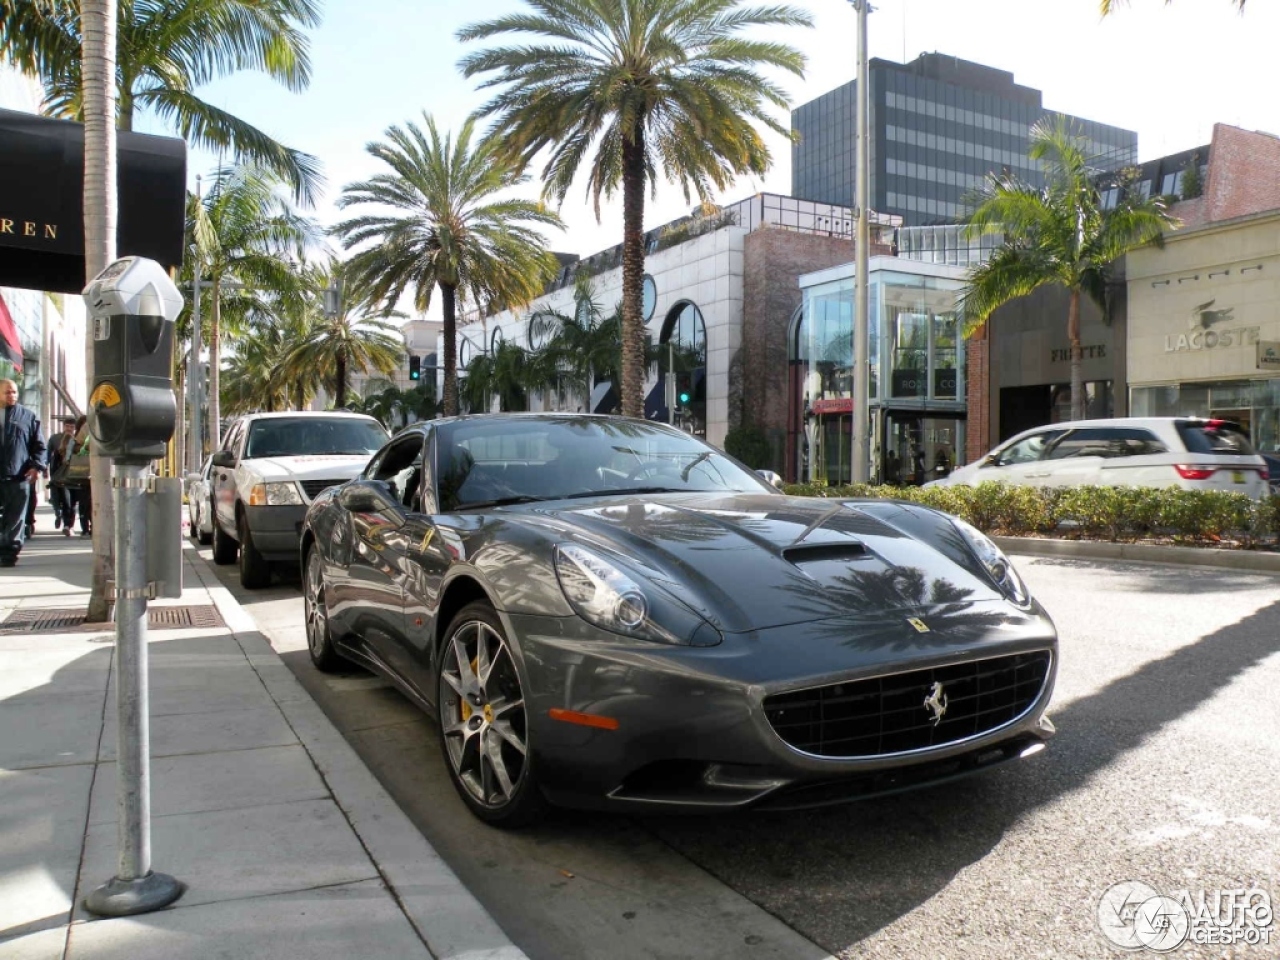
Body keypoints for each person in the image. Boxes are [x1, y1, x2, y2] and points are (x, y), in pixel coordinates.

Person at [0, 378, 46, 566]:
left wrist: (36, 467)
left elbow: (39, 446)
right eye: (7, 392)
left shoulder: (27, 417)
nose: (11, 395)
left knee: (15, 517)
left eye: (14, 392)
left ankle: (9, 553)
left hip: (17, 476)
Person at [47, 418, 78, 537]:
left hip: (73, 476)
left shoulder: (77, 440)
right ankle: (60, 517)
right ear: (63, 426)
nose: (69, 429)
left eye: (71, 427)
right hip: (58, 475)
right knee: (59, 498)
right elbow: (48, 454)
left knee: (70, 501)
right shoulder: (55, 439)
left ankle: (68, 525)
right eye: (67, 426)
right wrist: (44, 467)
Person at [70, 415, 91, 537]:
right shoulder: (86, 427)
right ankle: (85, 527)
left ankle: (95, 526)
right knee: (84, 501)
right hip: (85, 472)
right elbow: (76, 446)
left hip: (107, 473)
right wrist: (85, 448)